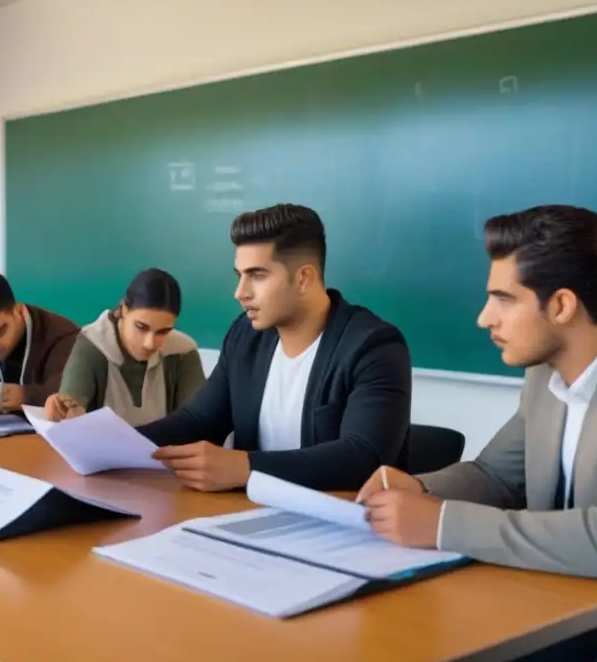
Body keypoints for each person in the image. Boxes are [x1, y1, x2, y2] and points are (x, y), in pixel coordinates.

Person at [355, 205, 597, 662]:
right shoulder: (549, 371)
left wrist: (440, 524)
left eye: (503, 298)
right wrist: (421, 490)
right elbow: (495, 475)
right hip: (564, 604)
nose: (484, 318)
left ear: (562, 305)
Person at [136, 202, 412, 492]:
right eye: (239, 275)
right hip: (251, 516)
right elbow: (198, 420)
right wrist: (115, 443)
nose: (240, 292)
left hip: (343, 524)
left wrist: (245, 467)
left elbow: (361, 458)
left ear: (304, 278)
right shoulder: (246, 335)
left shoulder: (374, 347)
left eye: (257, 275)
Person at [44, 268, 206, 425]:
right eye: (141, 327)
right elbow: (69, 410)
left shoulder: (183, 352)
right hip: (101, 451)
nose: (149, 343)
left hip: (166, 450)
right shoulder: (92, 343)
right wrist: (63, 409)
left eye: (163, 332)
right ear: (124, 310)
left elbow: (196, 422)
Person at [0, 270, 79, 413]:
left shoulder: (65, 336)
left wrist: (25, 395)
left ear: (19, 311)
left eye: (0, 331)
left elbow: (71, 393)